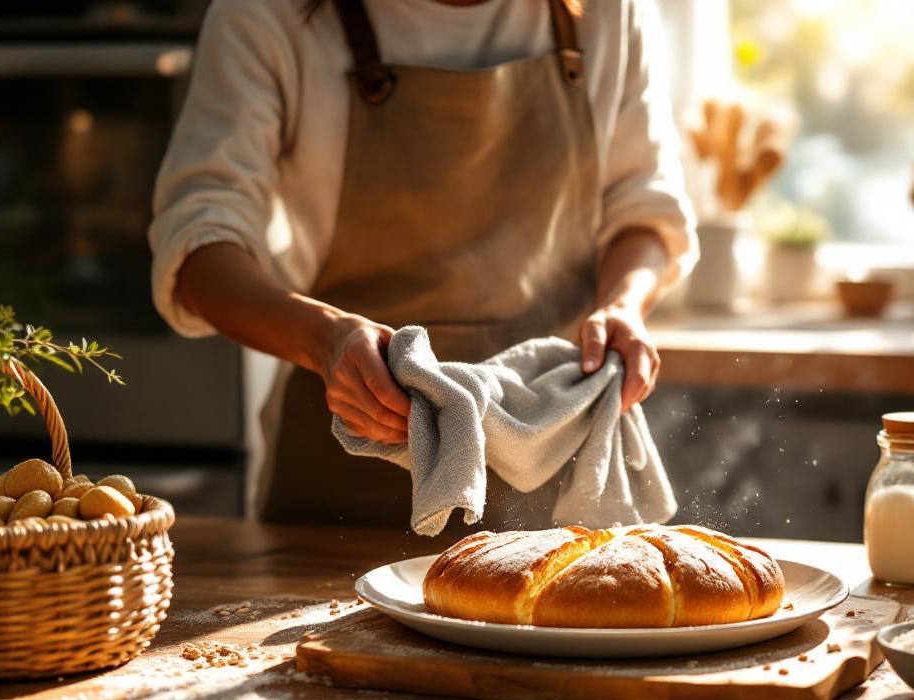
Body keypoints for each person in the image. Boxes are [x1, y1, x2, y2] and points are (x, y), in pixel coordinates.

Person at [149, 0, 696, 527]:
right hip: (347, 469)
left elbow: (644, 212)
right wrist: (325, 340)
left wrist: (622, 306)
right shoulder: (266, 15)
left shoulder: (609, 11)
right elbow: (199, 246)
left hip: (553, 461)